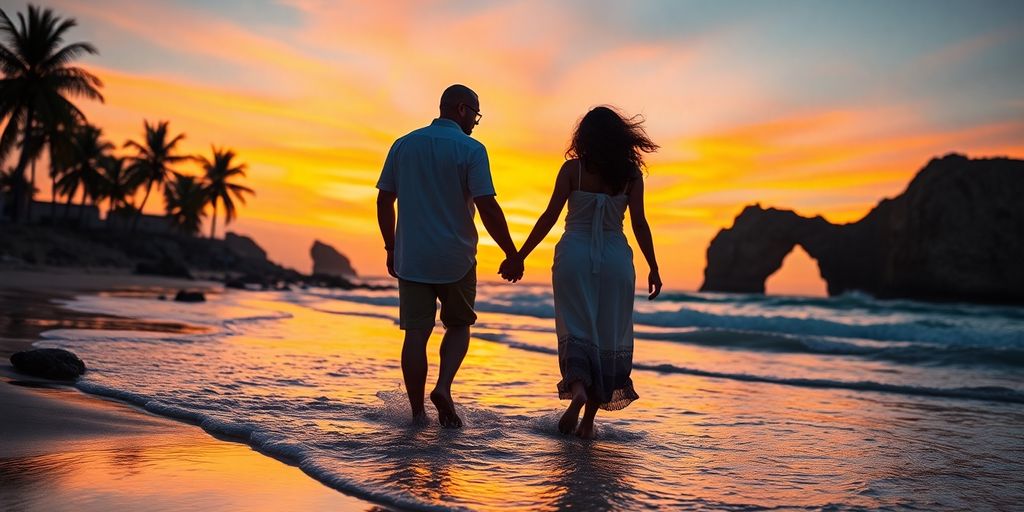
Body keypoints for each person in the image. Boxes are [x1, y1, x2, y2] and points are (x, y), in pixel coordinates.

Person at [376, 84, 523, 428]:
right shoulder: (471, 149)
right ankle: (443, 387)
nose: (475, 122)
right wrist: (511, 252)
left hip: (412, 257)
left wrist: (391, 247)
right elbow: (487, 205)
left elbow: (384, 200)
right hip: (456, 257)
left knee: (416, 333)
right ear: (461, 109)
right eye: (475, 114)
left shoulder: (404, 144)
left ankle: (417, 414)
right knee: (458, 325)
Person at [511, 106, 662, 439]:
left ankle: (578, 389)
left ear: (584, 137)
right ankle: (589, 421)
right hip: (616, 260)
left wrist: (520, 256)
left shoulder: (572, 170)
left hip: (575, 256)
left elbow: (549, 216)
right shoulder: (631, 175)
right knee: (608, 334)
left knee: (576, 327)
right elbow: (639, 223)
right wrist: (653, 266)